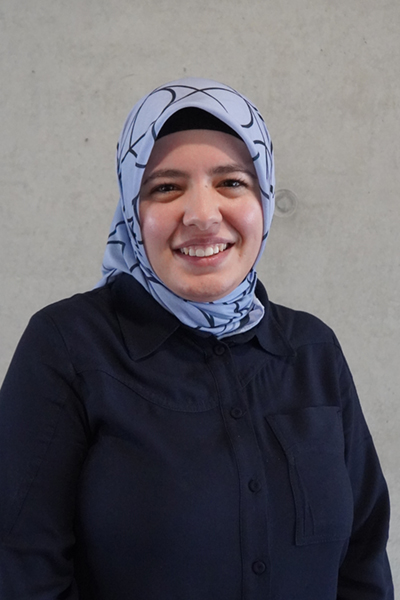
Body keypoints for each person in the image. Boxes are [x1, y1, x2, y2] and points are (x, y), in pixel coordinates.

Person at [0, 77, 394, 599]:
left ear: (263, 197)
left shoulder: (313, 351)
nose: (203, 215)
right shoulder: (68, 347)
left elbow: (363, 560)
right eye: (166, 187)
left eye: (231, 182)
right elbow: (21, 569)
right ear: (132, 209)